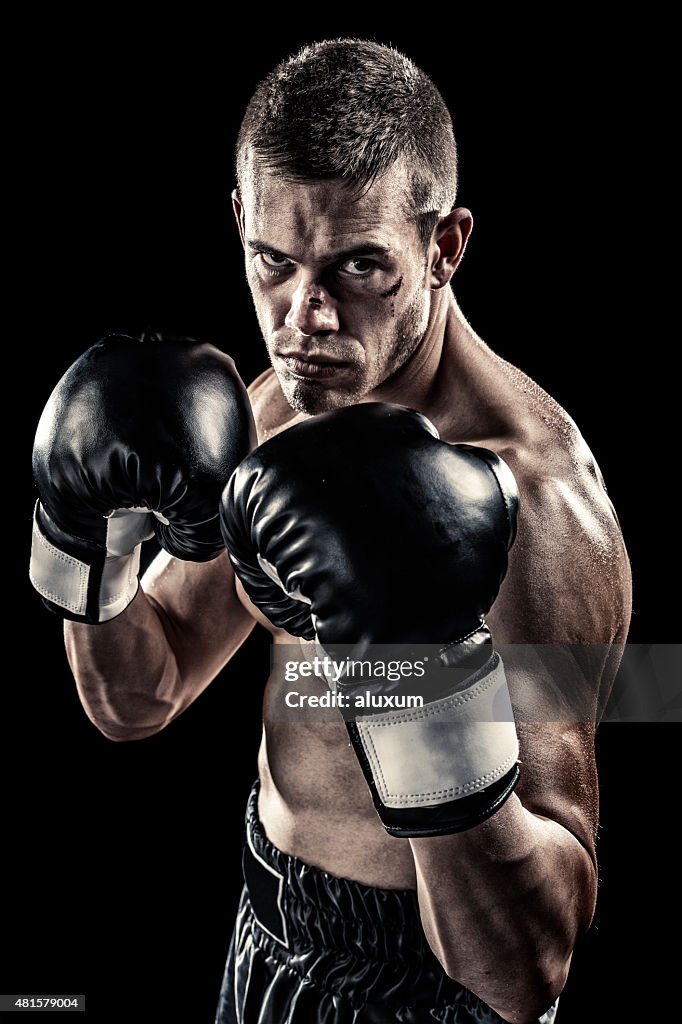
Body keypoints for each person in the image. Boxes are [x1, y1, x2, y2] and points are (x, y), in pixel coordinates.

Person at [29, 39, 632, 1024]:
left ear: (444, 246)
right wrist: (80, 539)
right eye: (274, 261)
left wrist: (424, 677)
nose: (304, 315)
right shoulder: (281, 404)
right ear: (239, 220)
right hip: (265, 927)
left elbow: (528, 970)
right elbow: (140, 693)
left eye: (359, 267)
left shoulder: (538, 503)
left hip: (429, 988)